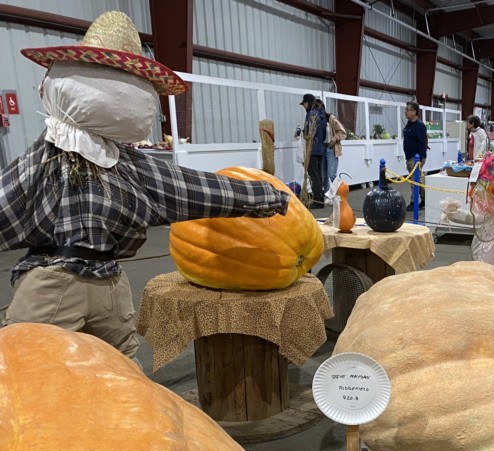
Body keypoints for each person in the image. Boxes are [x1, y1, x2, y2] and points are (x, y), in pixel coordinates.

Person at [2, 11, 290, 362]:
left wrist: (268, 196)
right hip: (109, 282)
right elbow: (195, 188)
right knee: (121, 370)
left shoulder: (46, 159)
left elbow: (7, 201)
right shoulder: (131, 167)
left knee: (30, 370)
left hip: (54, 284)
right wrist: (270, 196)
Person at [299, 93, 327, 208]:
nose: (304, 106)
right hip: (320, 149)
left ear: (308, 103)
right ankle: (320, 199)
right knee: (318, 175)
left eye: (304, 104)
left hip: (312, 149)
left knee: (314, 176)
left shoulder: (311, 114)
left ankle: (317, 202)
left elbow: (308, 133)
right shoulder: (321, 115)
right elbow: (323, 134)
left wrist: (302, 133)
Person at [402, 101, 428, 208]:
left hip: (416, 158)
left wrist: (420, 160)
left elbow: (422, 142)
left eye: (407, 110)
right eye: (406, 109)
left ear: (414, 112)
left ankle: (414, 202)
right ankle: (425, 200)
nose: (405, 112)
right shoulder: (409, 124)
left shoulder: (419, 125)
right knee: (417, 179)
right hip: (409, 157)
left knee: (414, 180)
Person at [323, 110, 347, 187]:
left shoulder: (332, 119)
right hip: (322, 148)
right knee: (324, 176)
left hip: (331, 148)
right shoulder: (317, 121)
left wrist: (333, 140)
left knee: (332, 174)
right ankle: (327, 193)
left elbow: (342, 132)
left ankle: (341, 192)